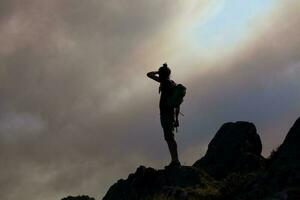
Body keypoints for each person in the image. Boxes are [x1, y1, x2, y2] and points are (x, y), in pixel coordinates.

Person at [147, 63, 181, 167]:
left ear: (162, 74)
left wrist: (158, 72)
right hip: (170, 114)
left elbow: (149, 74)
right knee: (170, 137)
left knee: (169, 137)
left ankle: (175, 161)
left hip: (166, 114)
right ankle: (175, 160)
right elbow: (177, 104)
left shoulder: (164, 82)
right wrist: (176, 118)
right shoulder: (172, 83)